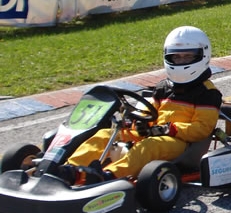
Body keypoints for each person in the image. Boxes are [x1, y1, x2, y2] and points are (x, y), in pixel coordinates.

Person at [59, 26, 222, 184]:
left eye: (187, 56)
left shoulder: (207, 93)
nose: (181, 61)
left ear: (202, 55)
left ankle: (109, 175)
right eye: (176, 57)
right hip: (155, 133)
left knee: (149, 146)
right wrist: (140, 121)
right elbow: (147, 110)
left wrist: (169, 129)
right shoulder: (163, 87)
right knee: (106, 134)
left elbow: (202, 129)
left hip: (182, 144)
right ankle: (69, 170)